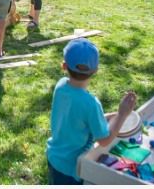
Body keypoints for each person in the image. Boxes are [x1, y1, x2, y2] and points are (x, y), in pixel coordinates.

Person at [46, 39, 137, 184]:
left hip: (54, 157)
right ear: (96, 70)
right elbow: (104, 140)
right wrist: (121, 115)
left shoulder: (61, 85)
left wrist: (108, 116)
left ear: (64, 66)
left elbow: (79, 119)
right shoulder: (91, 104)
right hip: (72, 167)